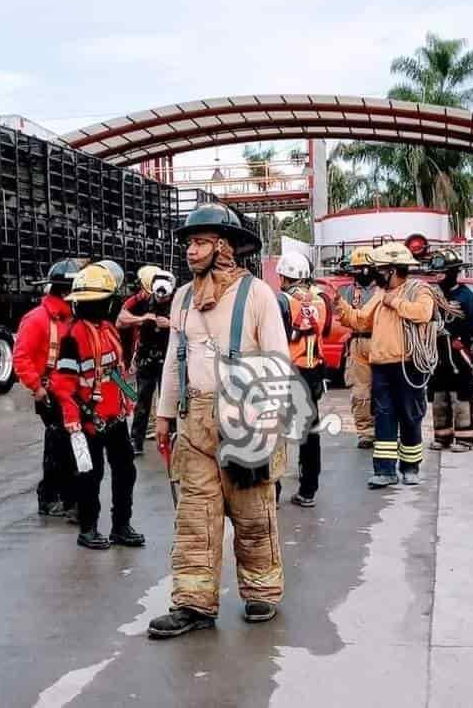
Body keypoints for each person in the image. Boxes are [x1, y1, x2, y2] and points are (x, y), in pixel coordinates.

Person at [148, 203, 289, 638]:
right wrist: (165, 414)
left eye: (201, 242)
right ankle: (193, 604)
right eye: (190, 243)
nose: (191, 251)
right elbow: (175, 360)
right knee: (195, 517)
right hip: (195, 422)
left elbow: (277, 361)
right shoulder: (183, 298)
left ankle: (262, 592)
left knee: (252, 515)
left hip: (246, 417)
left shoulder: (257, 295)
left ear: (224, 247)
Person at [49, 264, 145, 549]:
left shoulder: (108, 331)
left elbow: (115, 369)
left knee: (125, 471)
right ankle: (88, 529)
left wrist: (130, 397)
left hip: (114, 419)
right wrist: (74, 421)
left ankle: (121, 526)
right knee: (90, 475)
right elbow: (63, 385)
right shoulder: (72, 336)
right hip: (85, 422)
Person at [332, 242, 435, 488]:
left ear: (392, 269)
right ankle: (385, 470)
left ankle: (410, 468)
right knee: (384, 416)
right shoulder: (380, 294)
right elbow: (361, 321)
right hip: (381, 366)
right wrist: (340, 305)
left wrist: (394, 302)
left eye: (379, 269)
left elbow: (423, 313)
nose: (374, 273)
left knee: (410, 417)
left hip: (408, 365)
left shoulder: (419, 289)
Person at [12, 258, 87, 517]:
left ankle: (67, 497)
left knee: (71, 444)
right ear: (66, 291)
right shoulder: (37, 320)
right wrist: (37, 387)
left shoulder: (72, 318)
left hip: (72, 391)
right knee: (60, 446)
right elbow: (21, 357)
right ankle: (53, 498)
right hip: (51, 394)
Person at [275, 250, 331, 508]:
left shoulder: (282, 301)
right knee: (310, 434)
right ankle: (308, 490)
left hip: (286, 372)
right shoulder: (321, 300)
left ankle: (271, 492)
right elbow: (326, 331)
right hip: (312, 374)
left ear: (284, 276)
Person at [426, 250, 473, 452]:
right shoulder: (433, 296)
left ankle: (464, 439)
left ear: (452, 272)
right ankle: (442, 437)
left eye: (442, 272)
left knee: (461, 396)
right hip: (437, 352)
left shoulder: (465, 296)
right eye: (436, 273)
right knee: (439, 397)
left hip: (459, 353)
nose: (438, 276)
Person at [117, 268, 177, 456]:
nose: (161, 300)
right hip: (146, 358)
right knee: (143, 401)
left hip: (169, 358)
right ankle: (136, 441)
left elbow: (192, 322)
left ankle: (174, 439)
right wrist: (143, 319)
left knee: (170, 399)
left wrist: (170, 323)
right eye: (158, 297)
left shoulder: (178, 301)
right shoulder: (141, 301)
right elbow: (120, 319)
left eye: (164, 297)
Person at [338, 246, 377, 449]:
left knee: (384, 388)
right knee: (361, 390)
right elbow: (343, 317)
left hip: (380, 342)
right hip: (357, 342)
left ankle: (386, 429)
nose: (356, 273)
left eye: (359, 268)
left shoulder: (381, 288)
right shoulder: (350, 291)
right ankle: (366, 432)